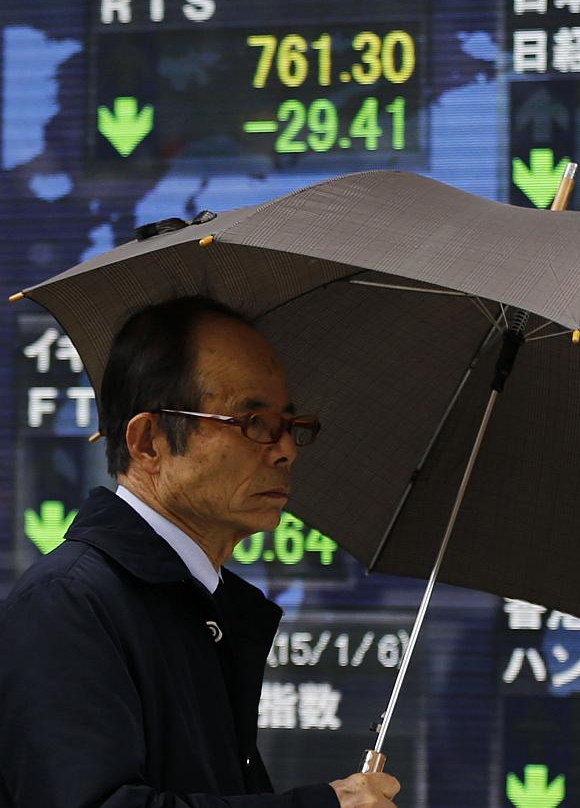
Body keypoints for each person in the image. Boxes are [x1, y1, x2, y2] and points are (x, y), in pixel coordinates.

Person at [0, 298, 401, 808]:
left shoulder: (205, 604)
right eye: (253, 420)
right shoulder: (66, 604)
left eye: (290, 423)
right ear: (148, 441)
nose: (286, 450)